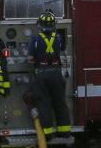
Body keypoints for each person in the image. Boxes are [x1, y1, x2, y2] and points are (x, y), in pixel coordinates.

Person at [27, 10, 71, 143]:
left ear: (39, 25)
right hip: (57, 73)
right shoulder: (58, 37)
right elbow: (62, 50)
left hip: (41, 73)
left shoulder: (35, 39)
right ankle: (64, 132)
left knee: (44, 103)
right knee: (60, 103)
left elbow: (30, 58)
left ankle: (47, 134)